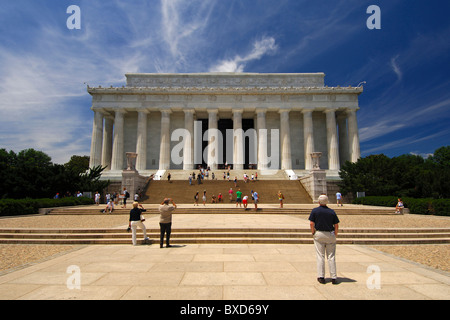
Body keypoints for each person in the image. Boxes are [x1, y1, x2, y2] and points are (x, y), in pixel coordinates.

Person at [308, 195, 340, 284]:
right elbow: (336, 225)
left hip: (319, 234)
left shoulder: (315, 211)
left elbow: (311, 223)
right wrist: (336, 234)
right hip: (330, 234)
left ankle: (321, 277)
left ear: (318, 202)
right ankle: (333, 277)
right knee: (331, 256)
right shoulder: (331, 212)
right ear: (327, 202)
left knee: (320, 256)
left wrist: (313, 232)